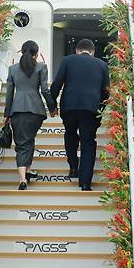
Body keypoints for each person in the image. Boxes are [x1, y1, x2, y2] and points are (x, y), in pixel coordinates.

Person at [51, 39, 110, 191]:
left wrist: (52, 105)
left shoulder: (67, 60)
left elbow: (57, 83)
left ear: (77, 50)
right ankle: (85, 183)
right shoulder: (102, 65)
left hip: (69, 107)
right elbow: (106, 92)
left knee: (70, 134)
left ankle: (73, 167)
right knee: (88, 142)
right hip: (91, 109)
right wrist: (101, 109)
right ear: (92, 52)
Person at [4, 40, 58, 190]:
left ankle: (23, 179)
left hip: (17, 109)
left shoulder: (13, 69)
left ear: (21, 52)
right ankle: (26, 174)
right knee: (28, 140)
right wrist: (52, 107)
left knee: (22, 143)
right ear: (36, 53)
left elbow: (9, 94)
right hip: (36, 111)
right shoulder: (41, 67)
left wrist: (6, 114)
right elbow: (45, 90)